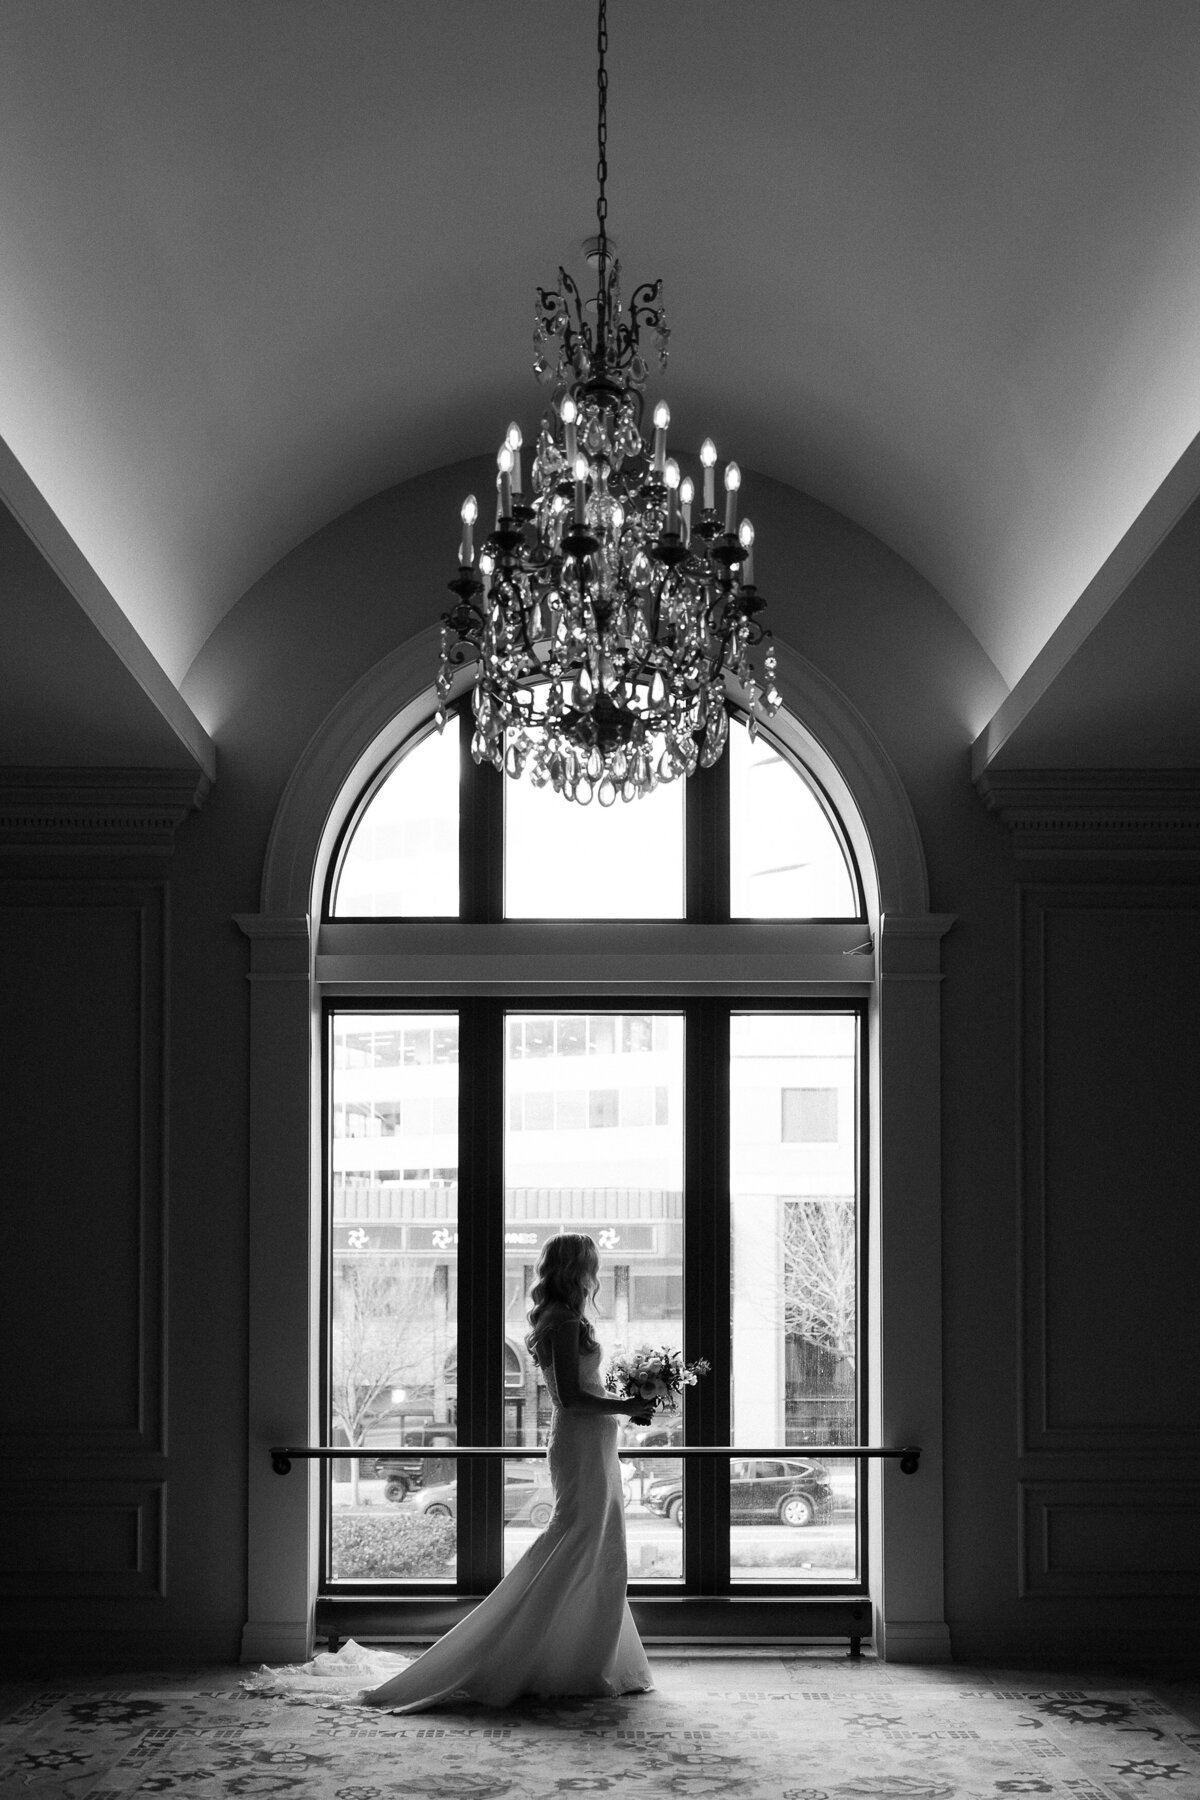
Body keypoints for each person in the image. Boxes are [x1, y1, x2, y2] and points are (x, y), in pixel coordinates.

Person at [355, 1232, 654, 1711]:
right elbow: (568, 1399)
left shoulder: (569, 1318)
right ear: (575, 1268)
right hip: (579, 1442)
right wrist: (629, 1403)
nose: (596, 1274)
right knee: (577, 1538)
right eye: (591, 1265)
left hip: (597, 1441)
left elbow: (583, 1390)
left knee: (602, 1542)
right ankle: (523, 1648)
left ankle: (587, 1657)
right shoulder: (559, 1320)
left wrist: (623, 1406)